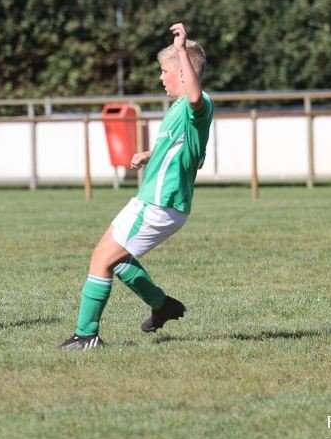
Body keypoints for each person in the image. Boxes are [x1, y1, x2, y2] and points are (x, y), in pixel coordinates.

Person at [58, 22, 214, 350]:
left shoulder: (197, 103)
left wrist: (181, 49)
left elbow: (195, 96)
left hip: (161, 202)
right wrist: (149, 154)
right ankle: (162, 305)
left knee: (101, 258)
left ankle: (86, 335)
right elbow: (178, 146)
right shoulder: (178, 109)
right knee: (114, 259)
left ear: (183, 73)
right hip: (152, 199)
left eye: (164, 71)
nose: (161, 77)